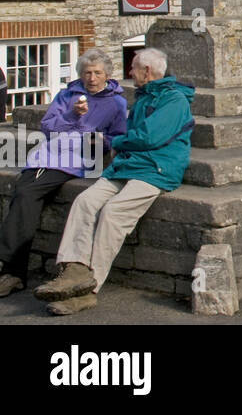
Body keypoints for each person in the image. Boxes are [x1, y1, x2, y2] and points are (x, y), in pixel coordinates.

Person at [33, 47, 193, 315]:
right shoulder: (144, 97)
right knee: (85, 201)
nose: (129, 72)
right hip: (129, 165)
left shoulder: (174, 100)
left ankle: (87, 290)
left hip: (158, 168)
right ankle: (73, 270)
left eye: (133, 68)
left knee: (113, 212)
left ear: (147, 71)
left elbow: (148, 137)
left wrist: (115, 142)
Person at [0, 49, 128, 298]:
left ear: (107, 75)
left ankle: (11, 270)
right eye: (87, 73)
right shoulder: (67, 95)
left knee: (26, 192)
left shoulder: (116, 103)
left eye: (97, 73)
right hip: (49, 155)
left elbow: (119, 137)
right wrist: (72, 115)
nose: (91, 78)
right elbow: (47, 126)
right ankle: (12, 271)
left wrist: (101, 142)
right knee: (25, 193)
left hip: (78, 159)